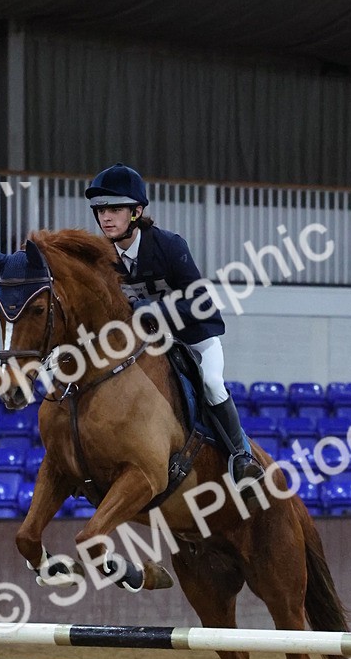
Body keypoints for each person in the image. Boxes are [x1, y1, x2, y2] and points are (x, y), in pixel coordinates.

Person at [85, 162, 263, 483]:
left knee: (212, 383)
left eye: (114, 209)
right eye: (100, 210)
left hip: (194, 338)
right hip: (149, 345)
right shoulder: (102, 259)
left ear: (136, 212)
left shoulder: (168, 246)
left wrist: (154, 311)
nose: (105, 217)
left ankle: (241, 456)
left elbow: (200, 303)